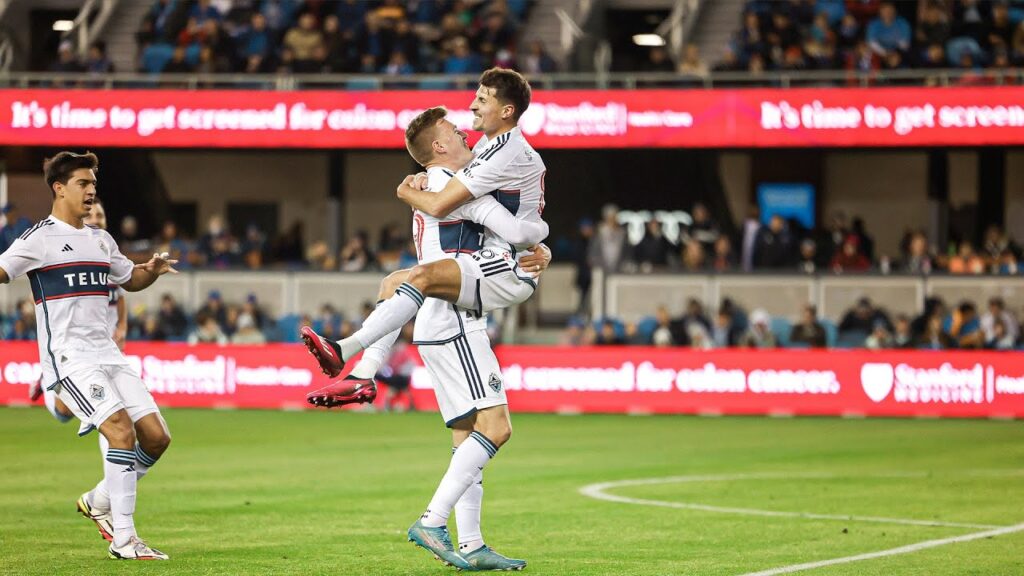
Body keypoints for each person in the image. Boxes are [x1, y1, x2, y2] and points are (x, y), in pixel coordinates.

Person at [304, 98, 551, 570]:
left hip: (437, 320)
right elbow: (508, 228)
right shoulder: (445, 184)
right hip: (457, 318)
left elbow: (399, 276)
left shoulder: (433, 180)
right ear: (439, 145)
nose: (464, 134)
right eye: (455, 132)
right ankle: (433, 520)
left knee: (465, 440)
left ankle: (472, 543)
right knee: (495, 428)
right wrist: (536, 245)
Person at [0, 152, 176, 560]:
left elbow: (129, 279)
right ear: (59, 188)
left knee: (157, 437)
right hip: (70, 358)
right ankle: (125, 540)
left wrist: (150, 268)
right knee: (119, 430)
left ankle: (99, 500)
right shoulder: (38, 238)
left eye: (93, 184)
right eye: (83, 183)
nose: (91, 191)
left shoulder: (101, 239)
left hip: (108, 354)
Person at [30, 197, 127, 422]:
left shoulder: (110, 255)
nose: (96, 219)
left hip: (107, 346)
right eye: (91, 215)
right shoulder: (67, 254)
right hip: (75, 346)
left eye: (100, 215)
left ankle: (114, 454)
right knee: (65, 414)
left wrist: (122, 326)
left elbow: (120, 297)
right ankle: (47, 382)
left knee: (116, 410)